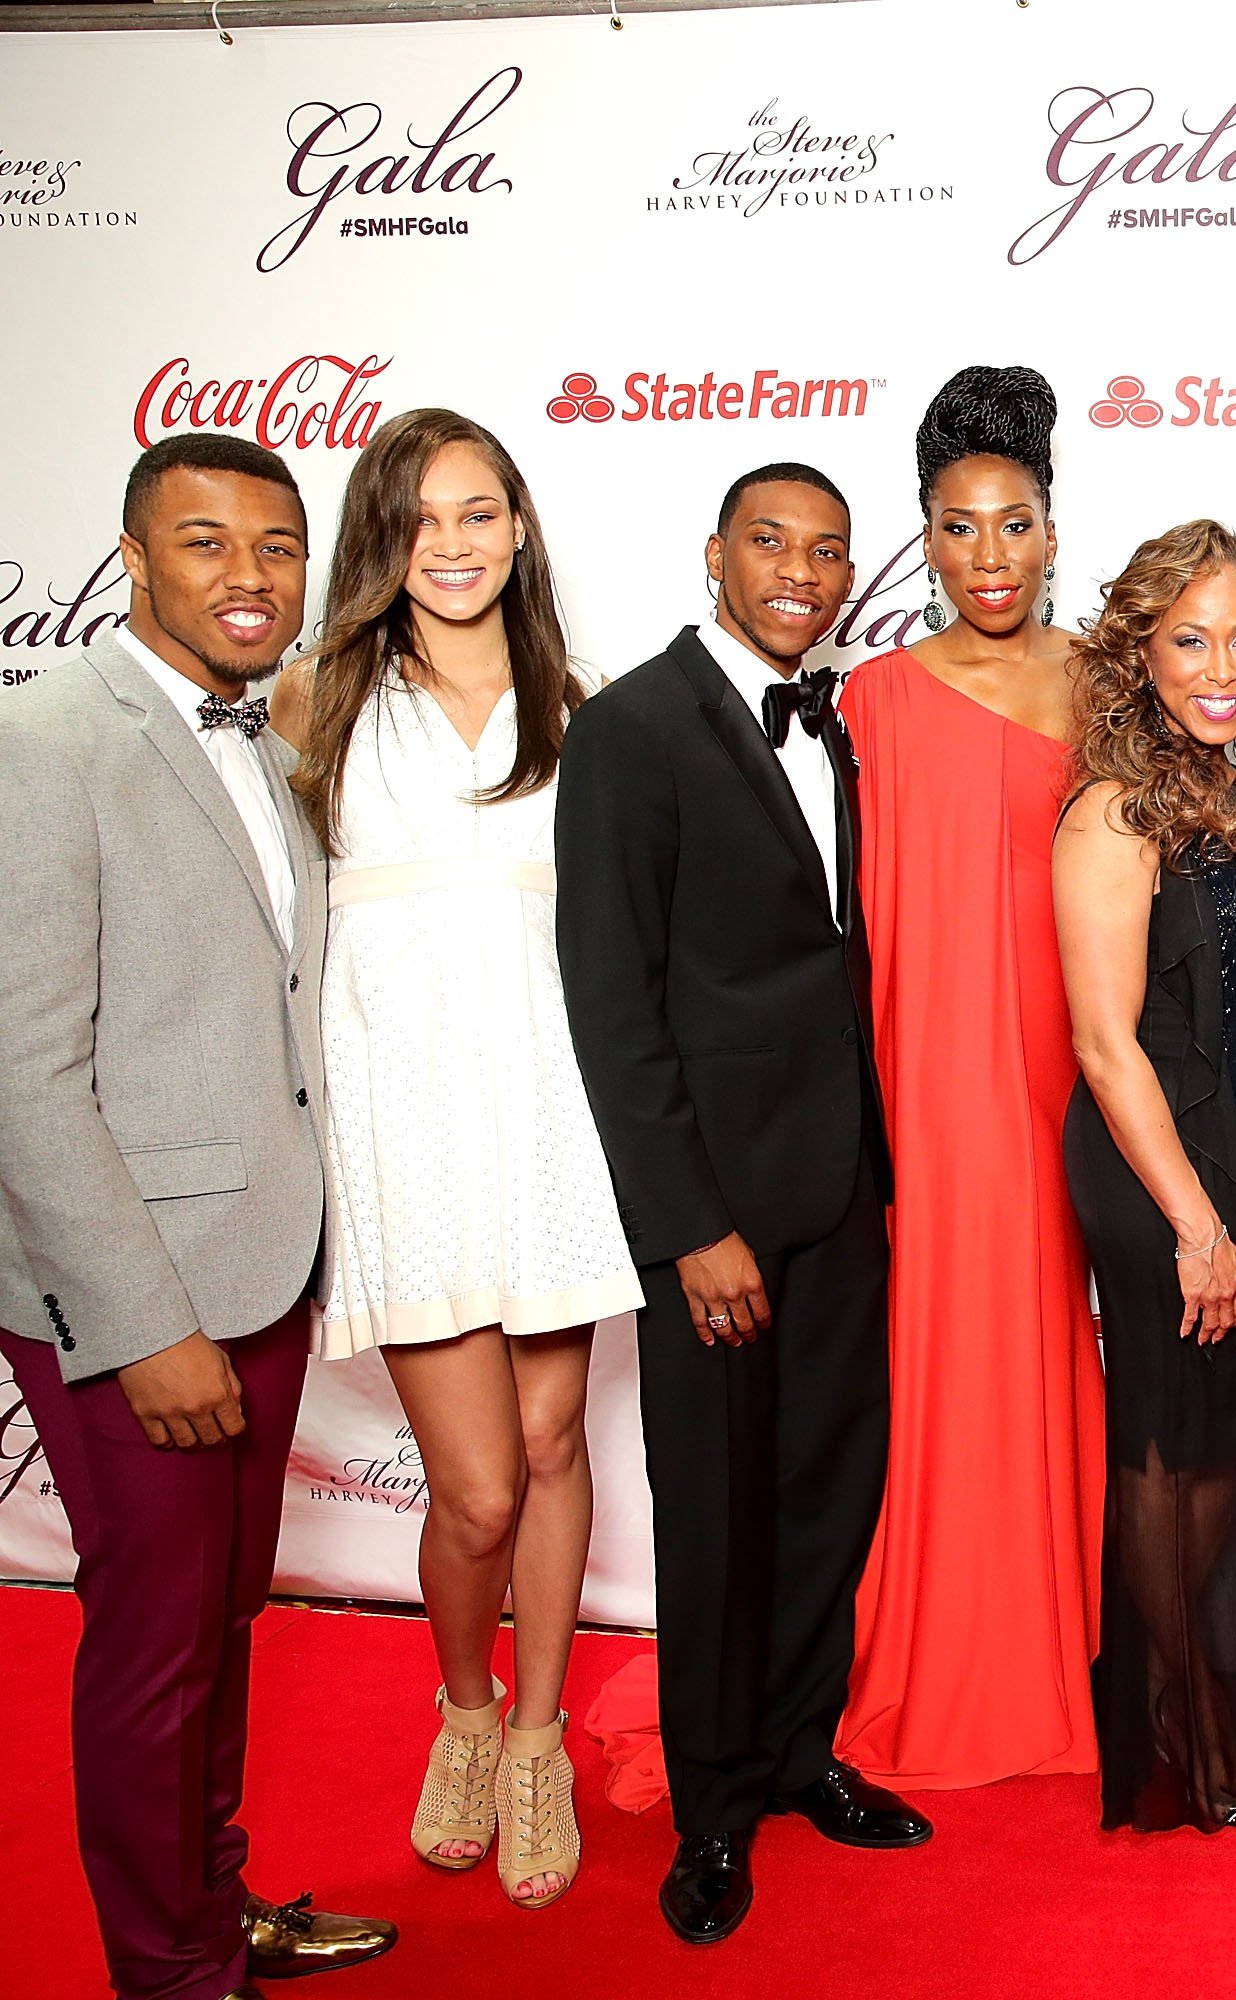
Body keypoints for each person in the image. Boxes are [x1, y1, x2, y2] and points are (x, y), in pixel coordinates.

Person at [0, 433, 397, 1998]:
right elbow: (27, 1072)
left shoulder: (271, 736)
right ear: (131, 557)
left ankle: (214, 1911)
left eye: (278, 548)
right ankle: (167, 1975)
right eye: (207, 545)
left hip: (260, 1266)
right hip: (138, 1296)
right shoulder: (50, 740)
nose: (250, 579)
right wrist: (143, 1322)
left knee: (218, 1628)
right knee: (158, 1652)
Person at [557, 464, 931, 1947]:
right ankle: (712, 1808)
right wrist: (685, 1222)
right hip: (715, 1207)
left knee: (826, 1493)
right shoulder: (632, 728)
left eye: (827, 551)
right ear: (713, 554)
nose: (800, 570)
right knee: (714, 1510)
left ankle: (794, 1750)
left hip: (842, 1184)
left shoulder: (830, 726)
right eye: (771, 543)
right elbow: (610, 998)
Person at [273, 408, 638, 1910]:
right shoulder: (318, 701)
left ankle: (541, 1741)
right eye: (422, 520)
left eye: (480, 513)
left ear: (522, 526)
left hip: (555, 1114)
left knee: (556, 1452)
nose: (455, 545)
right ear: (383, 539)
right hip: (404, 1126)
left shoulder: (583, 702)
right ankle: (465, 1716)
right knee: (477, 1489)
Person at [836, 365, 1104, 1792]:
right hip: (929, 1081)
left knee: (1052, 1337)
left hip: (1079, 1071)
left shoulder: (1107, 680)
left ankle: (1058, 1636)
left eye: (1013, 524)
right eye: (958, 526)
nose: (988, 557)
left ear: (1054, 530)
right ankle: (946, 1648)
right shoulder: (867, 701)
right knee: (943, 1347)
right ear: (924, 538)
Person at [1056, 519, 1236, 1832]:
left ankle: (1197, 1690)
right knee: (1170, 1455)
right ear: (1141, 651)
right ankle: (1174, 1724)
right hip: (1166, 1159)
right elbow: (1107, 1043)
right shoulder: (1114, 809)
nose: (1222, 665)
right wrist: (1192, 1224)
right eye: (1190, 640)